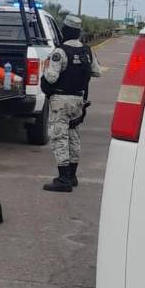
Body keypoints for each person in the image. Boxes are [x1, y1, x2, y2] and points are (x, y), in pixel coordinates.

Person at [42, 15, 101, 193]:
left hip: (61, 101)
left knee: (59, 137)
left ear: (65, 31)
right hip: (78, 100)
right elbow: (96, 72)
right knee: (74, 136)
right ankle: (72, 176)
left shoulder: (60, 52)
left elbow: (51, 78)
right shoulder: (87, 51)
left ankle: (63, 179)